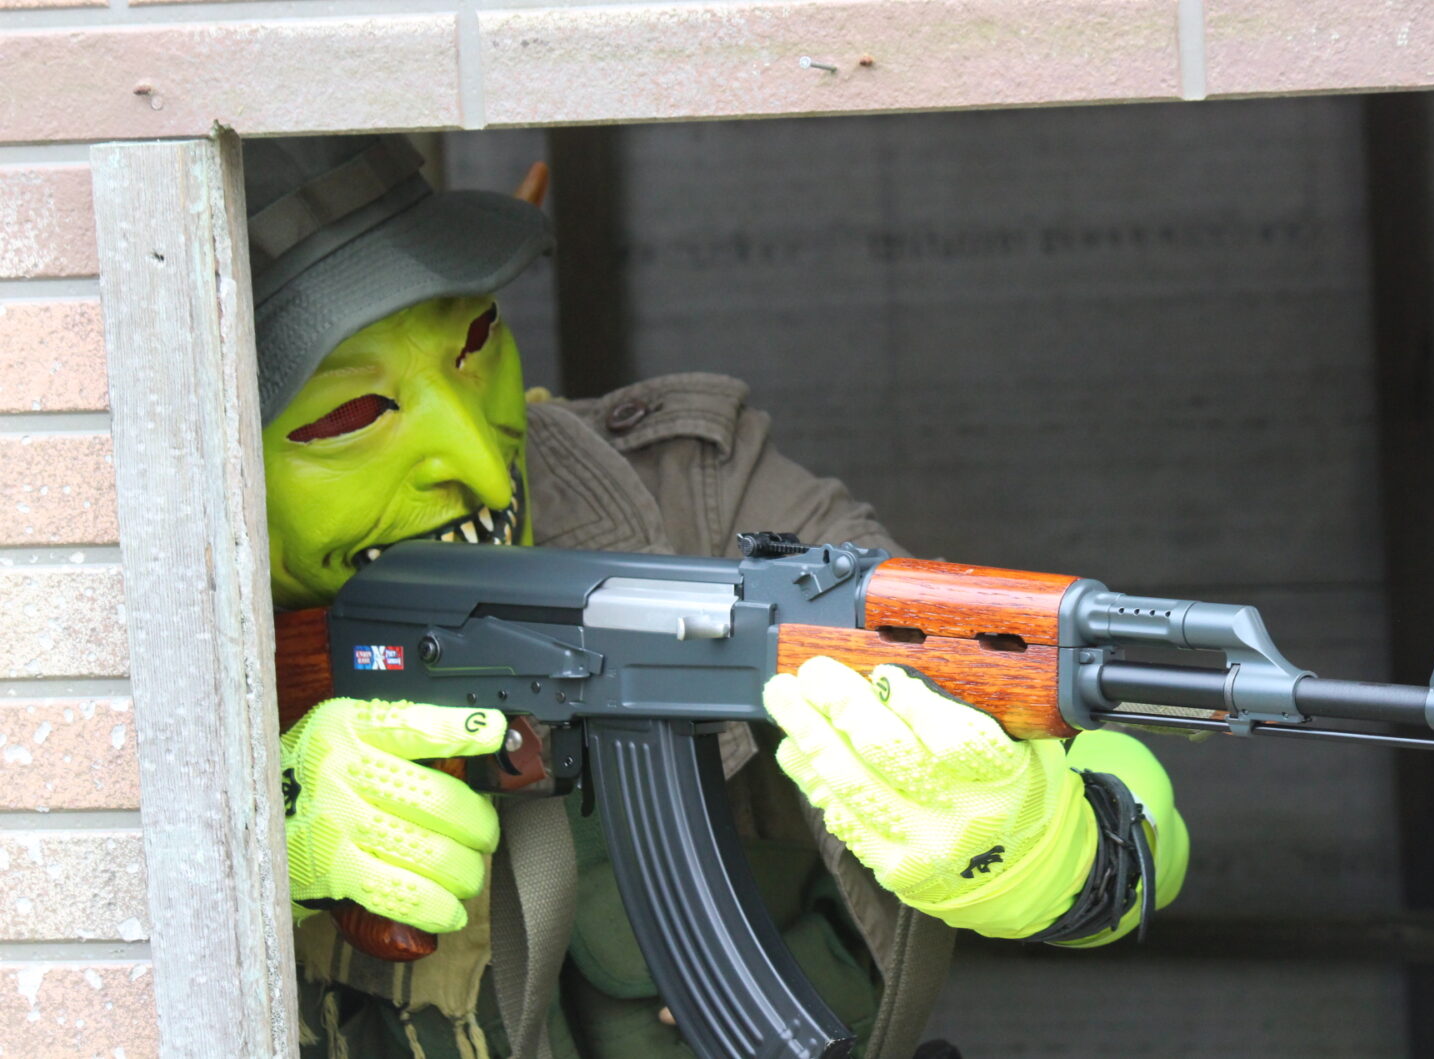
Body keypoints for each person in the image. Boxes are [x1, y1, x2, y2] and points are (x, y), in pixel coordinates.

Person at [249, 134, 1189, 1059]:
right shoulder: (165, 622)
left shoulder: (693, 494)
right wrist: (252, 831)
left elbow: (1090, 745)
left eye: (475, 343)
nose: (483, 466)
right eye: (353, 415)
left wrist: (1057, 851)